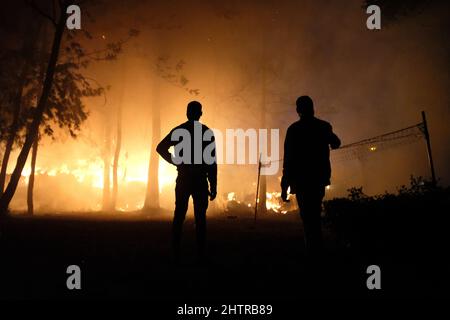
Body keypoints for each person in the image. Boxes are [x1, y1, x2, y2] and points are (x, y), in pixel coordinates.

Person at [157, 101, 217, 262]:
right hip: (199, 180)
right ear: (200, 114)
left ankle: (175, 250)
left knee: (179, 215)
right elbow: (212, 161)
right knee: (200, 218)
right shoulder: (206, 133)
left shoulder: (179, 130)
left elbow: (160, 147)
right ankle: (201, 253)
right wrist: (214, 184)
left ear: (187, 113)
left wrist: (174, 161)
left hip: (183, 178)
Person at [281, 96, 340, 256]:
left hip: (300, 181)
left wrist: (284, 184)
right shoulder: (323, 127)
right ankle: (317, 250)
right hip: (318, 179)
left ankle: (312, 251)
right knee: (314, 215)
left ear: (298, 110)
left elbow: (288, 159)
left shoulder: (293, 130)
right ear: (312, 108)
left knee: (307, 218)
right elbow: (336, 143)